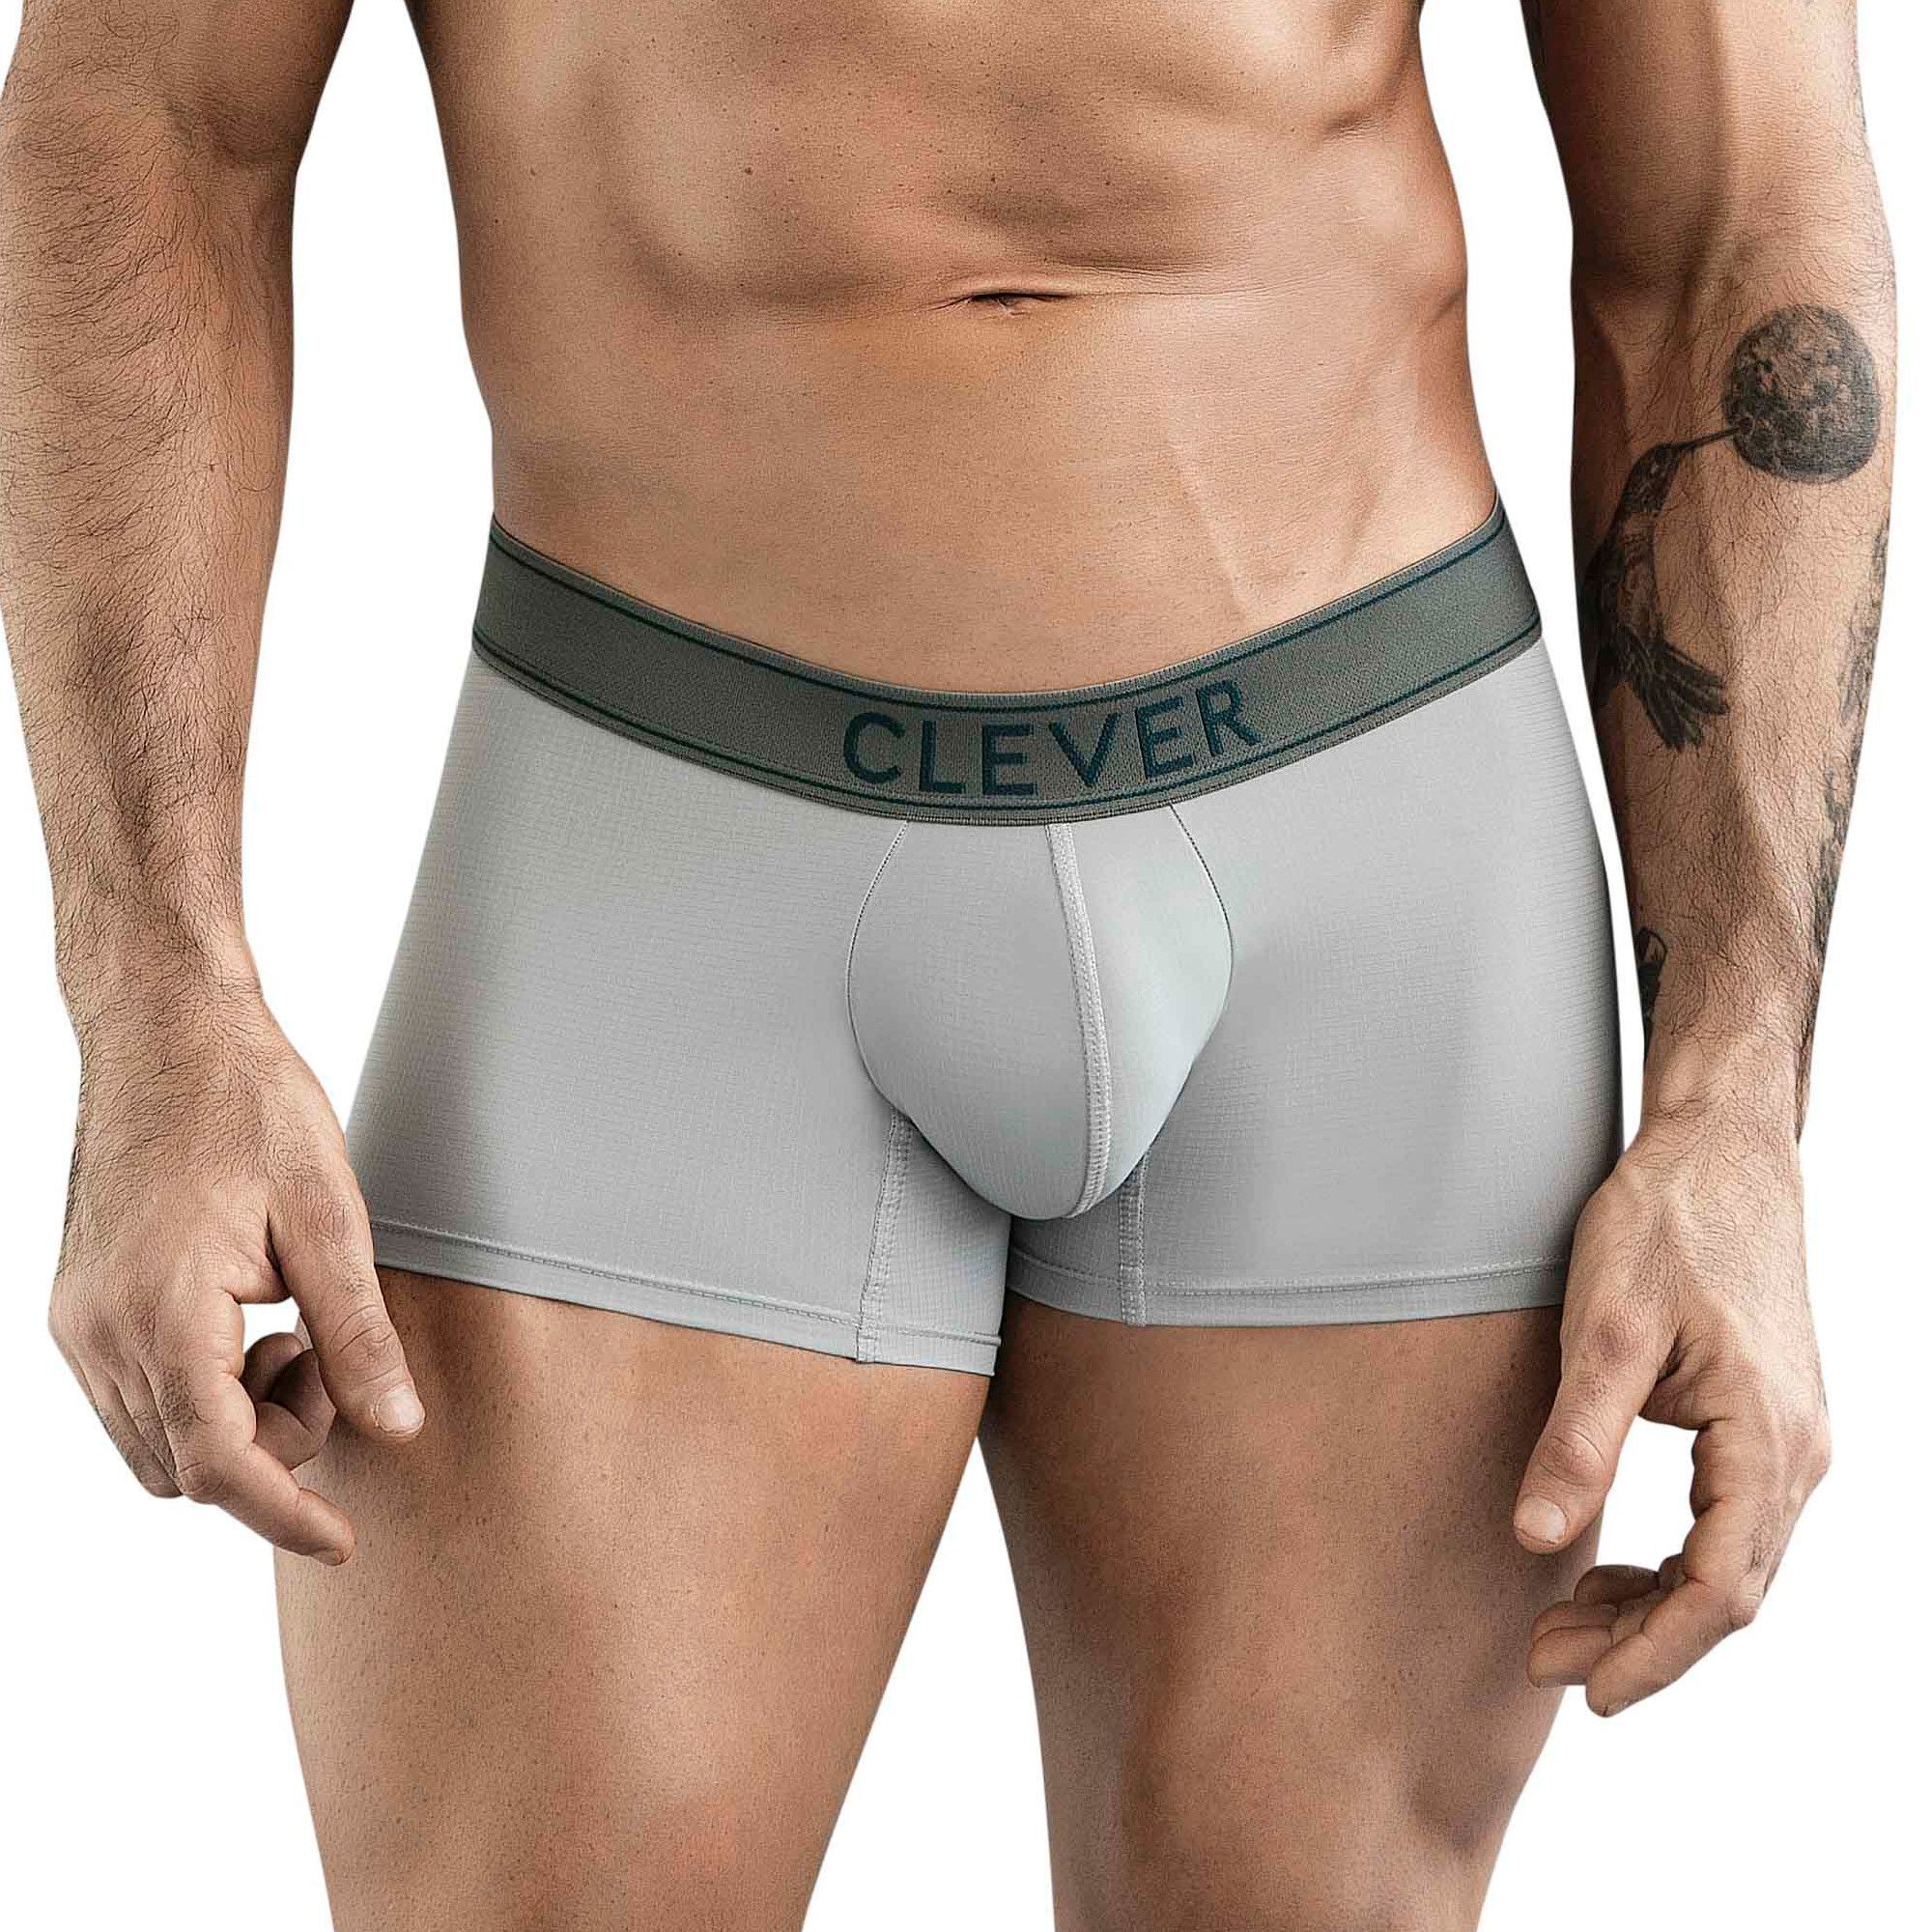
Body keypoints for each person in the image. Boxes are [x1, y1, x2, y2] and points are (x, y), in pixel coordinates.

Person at [0, 1, 1890, 1925]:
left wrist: (1734, 1107)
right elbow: (150, 118)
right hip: (662, 855)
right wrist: (155, 999)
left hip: (1367, 847)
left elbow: (1733, 219)